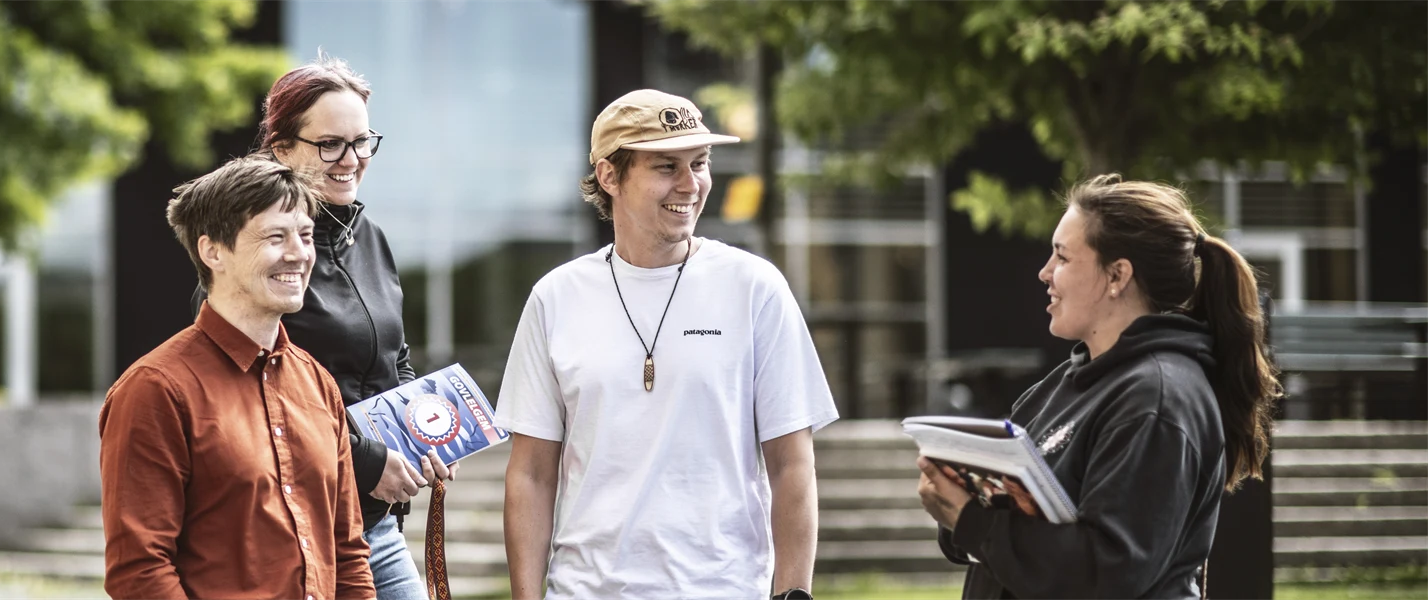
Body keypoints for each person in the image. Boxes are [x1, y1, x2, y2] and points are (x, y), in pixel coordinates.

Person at [496, 89, 839, 600]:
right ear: (610, 177)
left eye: (699, 163)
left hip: (724, 588)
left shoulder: (754, 287)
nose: (690, 184)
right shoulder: (556, 297)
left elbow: (792, 463)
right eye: (665, 167)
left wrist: (793, 594)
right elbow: (531, 472)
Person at [916, 175, 1281, 599]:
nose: (1044, 273)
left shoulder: (1158, 399)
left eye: (1062, 258)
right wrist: (958, 505)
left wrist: (973, 523)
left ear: (1117, 275)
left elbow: (1106, 573)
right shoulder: (1067, 383)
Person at [192, 54, 451, 600]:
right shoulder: (252, 256)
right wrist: (367, 461)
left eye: (362, 142)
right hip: (288, 524)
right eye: (330, 144)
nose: (350, 159)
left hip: (373, 522)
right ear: (281, 149)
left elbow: (393, 356)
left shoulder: (371, 238)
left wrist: (423, 435)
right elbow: (242, 391)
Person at [100, 156, 373, 600]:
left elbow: (348, 554)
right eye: (275, 237)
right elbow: (140, 572)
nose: (299, 254)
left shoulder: (318, 383)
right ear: (213, 252)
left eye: (304, 236)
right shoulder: (155, 389)